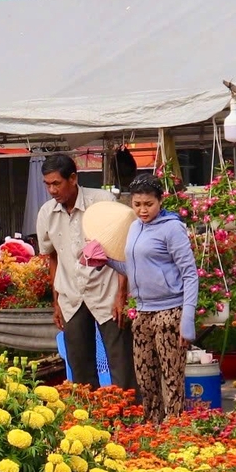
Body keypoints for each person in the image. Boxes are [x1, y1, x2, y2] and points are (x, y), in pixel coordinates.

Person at [98, 176, 199, 425]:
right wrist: (105, 260)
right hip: (142, 312)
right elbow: (132, 267)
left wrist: (187, 318)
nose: (143, 210)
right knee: (145, 376)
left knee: (172, 376)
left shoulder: (172, 228)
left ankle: (175, 428)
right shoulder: (134, 227)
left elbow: (189, 274)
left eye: (148, 204)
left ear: (160, 201)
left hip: (169, 311)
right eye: (137, 204)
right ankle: (151, 427)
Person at [35, 153, 134, 392]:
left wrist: (122, 295)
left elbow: (123, 249)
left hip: (107, 294)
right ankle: (90, 424)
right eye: (47, 184)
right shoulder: (47, 213)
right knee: (80, 371)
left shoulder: (103, 202)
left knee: (122, 365)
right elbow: (52, 257)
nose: (52, 190)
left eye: (56, 183)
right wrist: (56, 302)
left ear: (73, 178)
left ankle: (130, 422)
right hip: (71, 296)